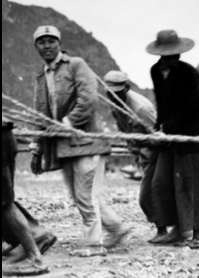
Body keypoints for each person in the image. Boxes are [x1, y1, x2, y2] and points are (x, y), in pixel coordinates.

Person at [30, 26, 130, 257]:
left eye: (51, 41)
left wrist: (68, 121)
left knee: (85, 195)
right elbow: (39, 116)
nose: (47, 45)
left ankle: (94, 245)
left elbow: (88, 99)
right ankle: (117, 227)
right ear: (36, 47)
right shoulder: (40, 77)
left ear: (59, 43)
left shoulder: (76, 65)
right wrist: (36, 149)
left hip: (86, 141)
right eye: (41, 42)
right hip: (62, 147)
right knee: (78, 195)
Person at [146, 30, 199, 249]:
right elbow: (162, 104)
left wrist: (166, 128)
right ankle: (177, 228)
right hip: (169, 137)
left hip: (192, 136)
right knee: (160, 182)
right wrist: (158, 128)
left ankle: (198, 233)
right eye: (168, 54)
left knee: (190, 184)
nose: (173, 57)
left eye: (176, 53)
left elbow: (191, 109)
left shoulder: (189, 74)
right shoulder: (156, 71)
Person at [103, 70, 164, 242]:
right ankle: (167, 230)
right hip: (144, 155)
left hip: (157, 154)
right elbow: (124, 128)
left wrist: (142, 145)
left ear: (127, 88)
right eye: (110, 93)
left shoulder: (141, 108)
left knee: (147, 197)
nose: (114, 96)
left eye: (118, 92)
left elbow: (160, 133)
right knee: (160, 194)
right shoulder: (115, 103)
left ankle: (165, 231)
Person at [2, 120, 55, 276]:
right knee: (5, 202)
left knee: (5, 204)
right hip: (5, 137)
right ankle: (35, 240)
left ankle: (35, 259)